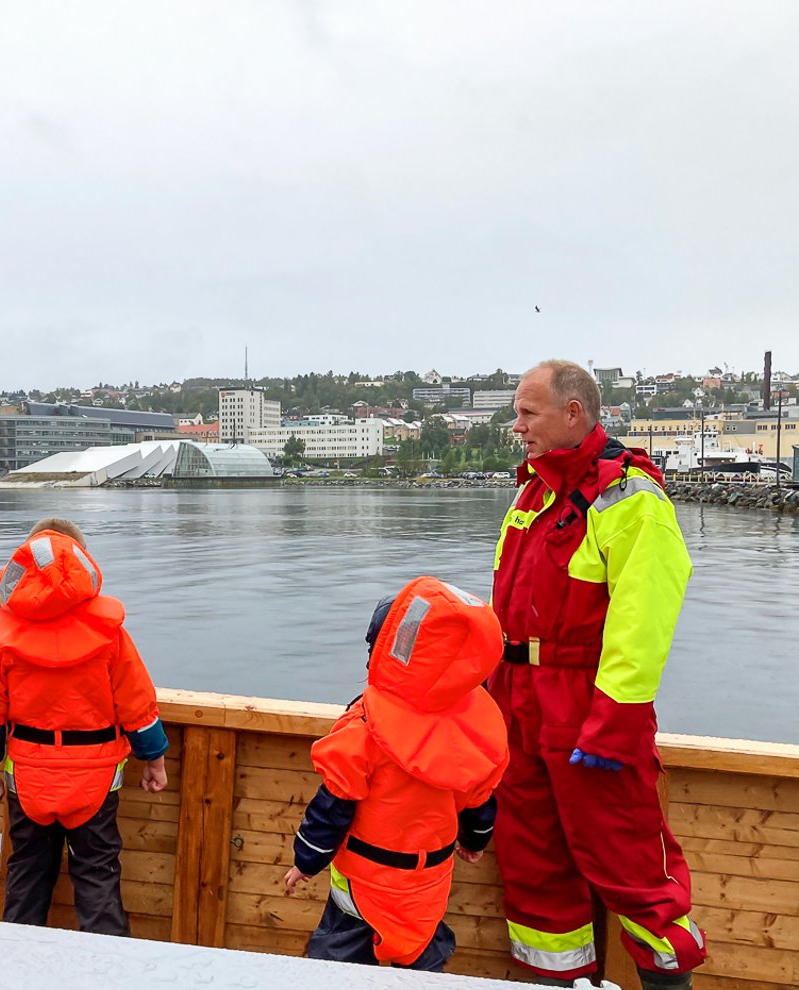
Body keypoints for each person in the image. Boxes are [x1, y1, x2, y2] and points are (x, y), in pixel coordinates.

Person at [490, 360, 706, 988]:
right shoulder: (531, 493)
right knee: (534, 872)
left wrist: (613, 726)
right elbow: (508, 617)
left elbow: (644, 622)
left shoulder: (631, 496)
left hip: (588, 712)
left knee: (633, 871)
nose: (517, 426)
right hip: (520, 709)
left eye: (528, 413)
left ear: (573, 412)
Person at [283, 576, 509, 972]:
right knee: (425, 954)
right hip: (427, 885)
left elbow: (333, 805)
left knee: (337, 965)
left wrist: (305, 861)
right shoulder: (478, 726)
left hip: (364, 887)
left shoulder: (364, 728)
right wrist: (475, 840)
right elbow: (481, 799)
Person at [0, 518, 168, 935]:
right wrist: (154, 759)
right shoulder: (109, 633)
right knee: (98, 874)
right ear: (82, 562)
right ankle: (108, 967)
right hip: (95, 775)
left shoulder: (3, 636)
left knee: (26, 872)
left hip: (29, 773)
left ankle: (16, 966)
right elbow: (138, 703)